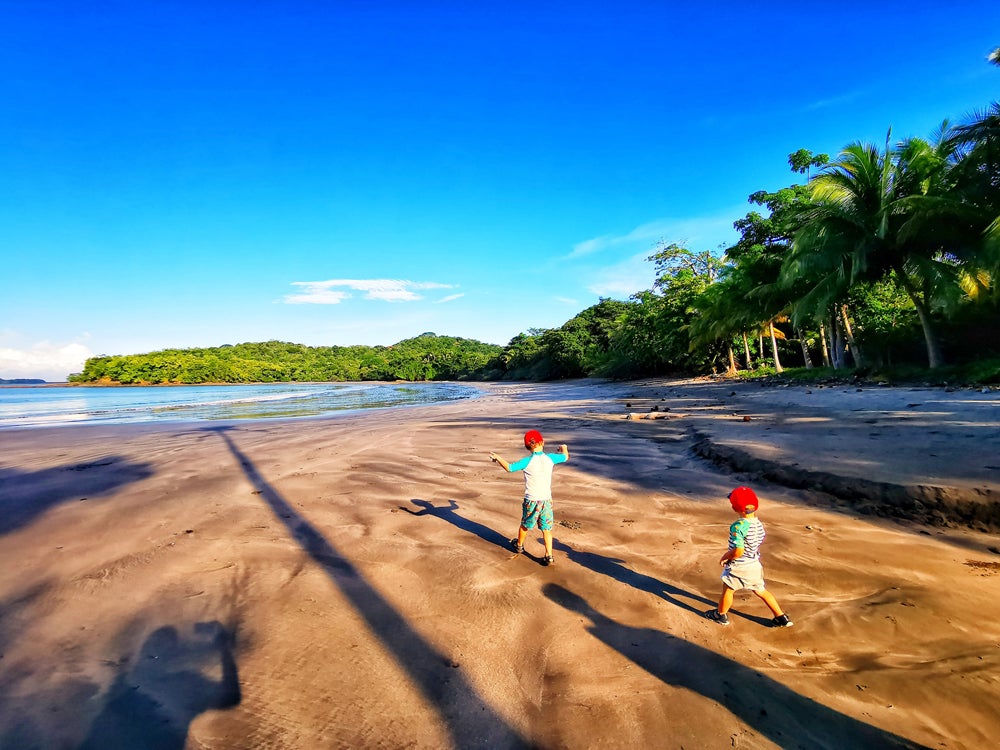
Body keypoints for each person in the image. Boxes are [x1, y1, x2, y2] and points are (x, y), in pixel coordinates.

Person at [705, 486, 793, 627]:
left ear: (734, 508)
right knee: (761, 591)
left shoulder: (738, 526)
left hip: (739, 565)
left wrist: (726, 556)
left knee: (728, 590)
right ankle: (781, 617)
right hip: (754, 564)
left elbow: (738, 550)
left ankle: (720, 615)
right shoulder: (758, 524)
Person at [489, 429, 569, 566]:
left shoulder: (527, 461)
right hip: (546, 500)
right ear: (542, 442)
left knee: (525, 524)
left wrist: (498, 458)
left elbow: (509, 468)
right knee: (546, 528)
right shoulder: (550, 458)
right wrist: (564, 448)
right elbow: (565, 457)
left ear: (527, 447)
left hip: (531, 500)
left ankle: (519, 545)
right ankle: (549, 555)